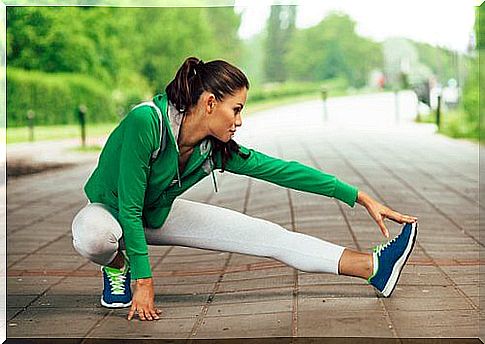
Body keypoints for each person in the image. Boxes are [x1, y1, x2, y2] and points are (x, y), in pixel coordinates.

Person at [71, 57, 418, 322]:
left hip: (155, 214)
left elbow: (282, 171)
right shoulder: (146, 123)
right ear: (209, 103)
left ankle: (374, 267)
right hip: (111, 210)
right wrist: (143, 281)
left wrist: (357, 195)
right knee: (95, 237)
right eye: (235, 109)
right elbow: (129, 208)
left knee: (271, 236)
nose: (239, 121)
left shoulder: (213, 147)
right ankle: (117, 266)